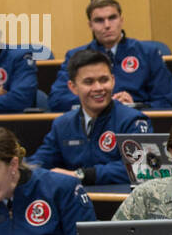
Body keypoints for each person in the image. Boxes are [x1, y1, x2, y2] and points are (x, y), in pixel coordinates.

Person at [31, 49, 152, 184]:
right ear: (73, 87)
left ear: (113, 81)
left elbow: (141, 167)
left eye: (104, 80)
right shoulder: (62, 124)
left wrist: (82, 175)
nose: (98, 87)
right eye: (89, 82)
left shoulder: (133, 120)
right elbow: (39, 162)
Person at [49, 0, 172, 111]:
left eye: (112, 18)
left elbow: (166, 101)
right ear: (90, 25)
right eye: (99, 20)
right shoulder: (75, 56)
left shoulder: (148, 53)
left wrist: (136, 105)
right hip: (92, 121)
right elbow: (57, 100)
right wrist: (100, 101)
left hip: (136, 120)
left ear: (121, 20)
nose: (107, 25)